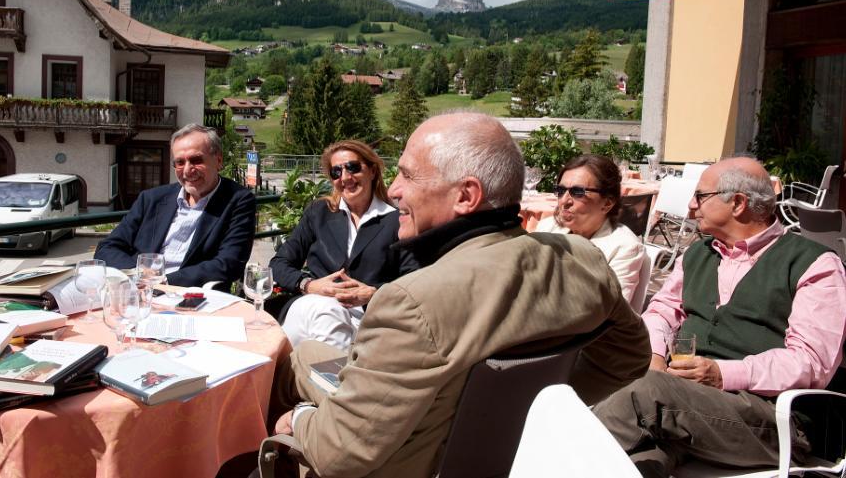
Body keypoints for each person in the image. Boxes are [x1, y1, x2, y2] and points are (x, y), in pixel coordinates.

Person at [269, 112, 650, 478]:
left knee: (281, 390)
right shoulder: (582, 260)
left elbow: (339, 455)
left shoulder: (411, 302)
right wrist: (529, 411)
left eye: (407, 175)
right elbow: (630, 357)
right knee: (301, 357)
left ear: (466, 195)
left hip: (397, 463)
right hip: (489, 453)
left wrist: (299, 418)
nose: (395, 189)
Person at [593, 156, 846, 477]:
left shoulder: (815, 265)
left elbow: (810, 364)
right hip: (686, 409)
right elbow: (660, 312)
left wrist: (722, 374)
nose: (690, 206)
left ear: (738, 203)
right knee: (639, 460)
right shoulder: (698, 254)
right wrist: (656, 354)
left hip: (777, 421)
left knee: (644, 394)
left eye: (701, 196)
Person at [271, 140, 417, 350]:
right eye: (336, 171)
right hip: (312, 309)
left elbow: (412, 281)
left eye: (353, 167)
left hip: (368, 320)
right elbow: (279, 264)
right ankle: (330, 380)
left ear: (373, 171)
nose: (345, 177)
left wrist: (374, 294)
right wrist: (309, 285)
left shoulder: (396, 221)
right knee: (328, 311)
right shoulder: (319, 212)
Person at [94, 124, 256, 290]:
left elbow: (229, 264)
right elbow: (107, 248)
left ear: (218, 161)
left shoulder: (238, 201)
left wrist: (163, 281)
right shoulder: (151, 199)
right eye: (179, 162)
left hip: (190, 296)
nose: (187, 170)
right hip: (137, 290)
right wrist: (139, 273)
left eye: (196, 160)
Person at [537, 154, 646, 305]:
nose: (564, 201)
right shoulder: (547, 227)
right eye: (560, 190)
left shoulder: (624, 247)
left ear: (607, 203)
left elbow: (612, 309)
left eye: (577, 192)